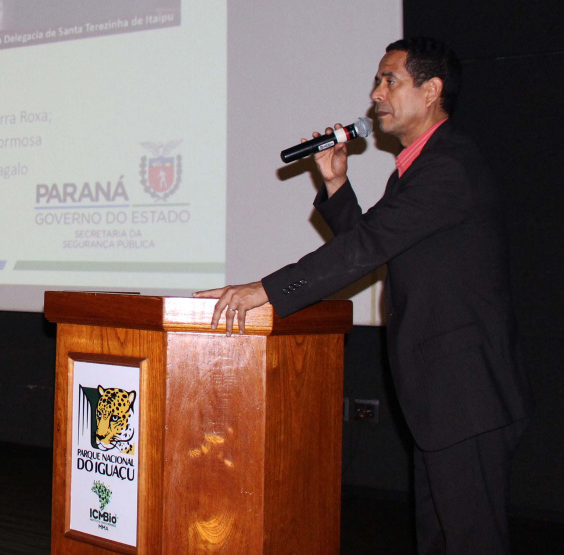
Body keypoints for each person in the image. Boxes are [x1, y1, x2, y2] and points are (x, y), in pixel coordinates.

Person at [194, 37, 534, 555]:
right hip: (444, 401)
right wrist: (334, 183)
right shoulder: (419, 170)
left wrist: (264, 291)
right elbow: (375, 242)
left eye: (389, 80)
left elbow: (367, 248)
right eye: (377, 81)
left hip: (467, 398)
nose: (375, 94)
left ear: (431, 90)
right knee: (441, 541)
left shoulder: (448, 167)